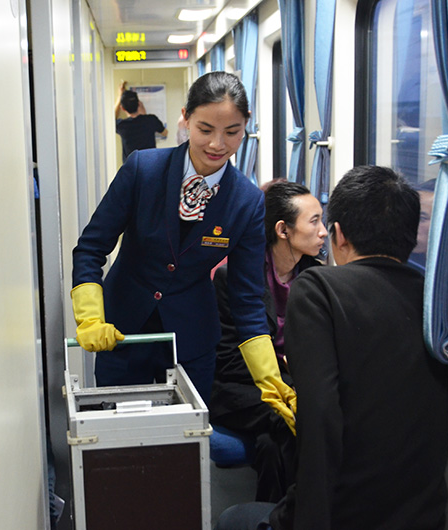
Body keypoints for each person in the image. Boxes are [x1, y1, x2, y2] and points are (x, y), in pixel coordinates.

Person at [216, 165, 448, 530]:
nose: (323, 232)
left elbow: (321, 417)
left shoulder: (319, 286)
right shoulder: (433, 299)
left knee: (233, 518)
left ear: (340, 234)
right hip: (424, 513)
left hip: (345, 510)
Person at [71, 72, 296, 426]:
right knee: (120, 441)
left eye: (232, 132)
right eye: (205, 129)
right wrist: (90, 316)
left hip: (191, 344)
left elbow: (247, 298)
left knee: (184, 449)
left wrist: (270, 377)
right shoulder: (143, 170)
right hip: (123, 329)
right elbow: (91, 247)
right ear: (186, 118)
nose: (218, 144)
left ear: (246, 127)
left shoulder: (247, 202)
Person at [211, 180, 326, 503]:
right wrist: (285, 370)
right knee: (290, 418)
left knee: (272, 442)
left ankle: (273, 518)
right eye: (314, 221)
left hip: (293, 384)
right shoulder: (233, 278)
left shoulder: (318, 279)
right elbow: (230, 361)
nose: (324, 232)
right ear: (283, 229)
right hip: (240, 390)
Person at [114, 81, 167, 162]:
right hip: (150, 166)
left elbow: (111, 119)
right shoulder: (151, 120)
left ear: (123, 108)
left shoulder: (122, 126)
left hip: (131, 170)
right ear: (139, 104)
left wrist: (119, 96)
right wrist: (144, 115)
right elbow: (165, 133)